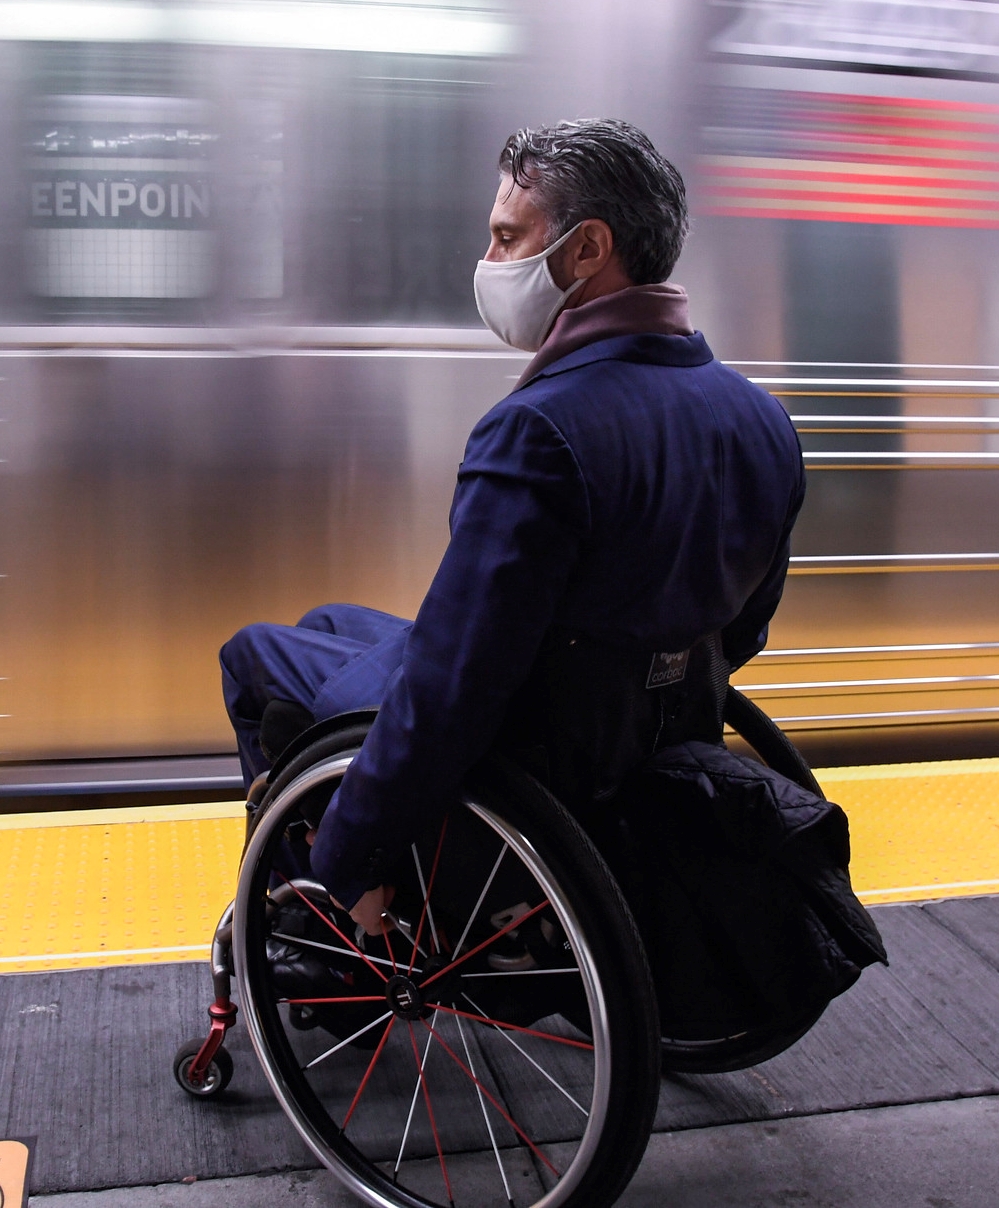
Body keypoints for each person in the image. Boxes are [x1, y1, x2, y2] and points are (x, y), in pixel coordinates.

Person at [220, 118, 806, 934]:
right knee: (325, 625)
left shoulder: (541, 427)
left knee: (252, 655)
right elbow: (741, 627)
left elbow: (457, 680)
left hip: (530, 738)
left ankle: (321, 922)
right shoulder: (759, 418)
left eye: (506, 239)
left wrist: (348, 856)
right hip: (647, 722)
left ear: (586, 249)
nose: (491, 266)